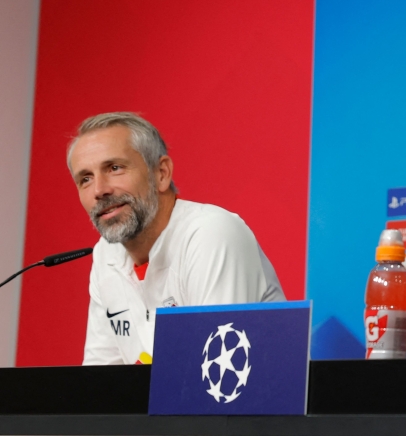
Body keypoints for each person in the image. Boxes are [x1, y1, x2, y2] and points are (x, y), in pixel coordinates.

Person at [68, 112, 284, 365]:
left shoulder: (210, 232)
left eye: (115, 168)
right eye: (85, 179)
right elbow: (100, 383)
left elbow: (214, 373)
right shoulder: (106, 255)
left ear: (161, 173)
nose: (99, 190)